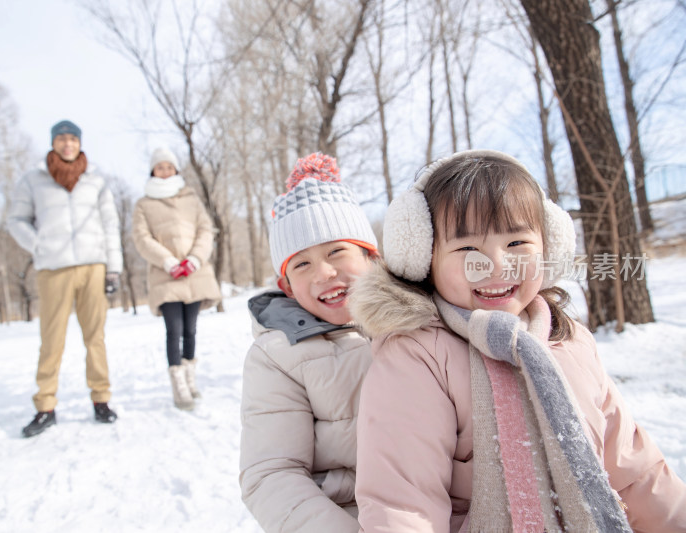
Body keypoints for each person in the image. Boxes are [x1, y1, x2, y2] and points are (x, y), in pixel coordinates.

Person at [349, 149, 686, 532]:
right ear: (424, 260)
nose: (496, 265)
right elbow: (404, 505)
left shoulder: (570, 341)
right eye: (467, 249)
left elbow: (635, 472)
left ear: (549, 246)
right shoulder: (418, 355)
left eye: (517, 244)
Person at [239, 152, 378, 532]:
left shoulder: (416, 323)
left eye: (336, 251)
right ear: (287, 286)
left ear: (370, 257)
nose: (325, 273)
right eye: (302, 264)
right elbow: (272, 475)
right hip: (347, 514)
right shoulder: (277, 356)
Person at [7, 119, 122, 438]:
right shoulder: (34, 180)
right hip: (53, 268)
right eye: (62, 139)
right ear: (53, 143)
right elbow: (16, 220)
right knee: (52, 338)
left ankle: (101, 400)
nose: (67, 144)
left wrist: (113, 268)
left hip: (92, 266)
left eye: (73, 139)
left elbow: (110, 224)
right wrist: (39, 244)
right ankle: (45, 406)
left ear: (80, 143)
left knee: (95, 337)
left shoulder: (96, 180)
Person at [131, 146, 221, 411]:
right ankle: (178, 385)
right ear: (153, 170)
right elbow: (142, 238)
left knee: (191, 330)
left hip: (194, 272)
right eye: (160, 167)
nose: (165, 171)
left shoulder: (191, 198)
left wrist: (194, 258)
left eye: (169, 166)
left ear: (175, 169)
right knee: (174, 330)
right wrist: (168, 262)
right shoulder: (144, 204)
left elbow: (205, 229)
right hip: (165, 275)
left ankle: (190, 379)